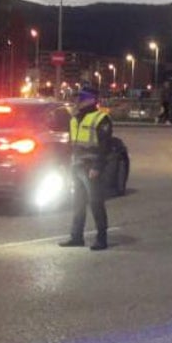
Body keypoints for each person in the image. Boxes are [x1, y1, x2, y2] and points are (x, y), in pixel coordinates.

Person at [60, 86, 117, 251]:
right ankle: (76, 237)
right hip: (77, 166)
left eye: (80, 98)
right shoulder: (74, 119)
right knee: (78, 203)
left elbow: (105, 146)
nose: (76, 101)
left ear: (91, 100)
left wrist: (98, 167)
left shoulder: (101, 119)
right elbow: (73, 145)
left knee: (96, 203)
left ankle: (102, 238)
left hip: (91, 168)